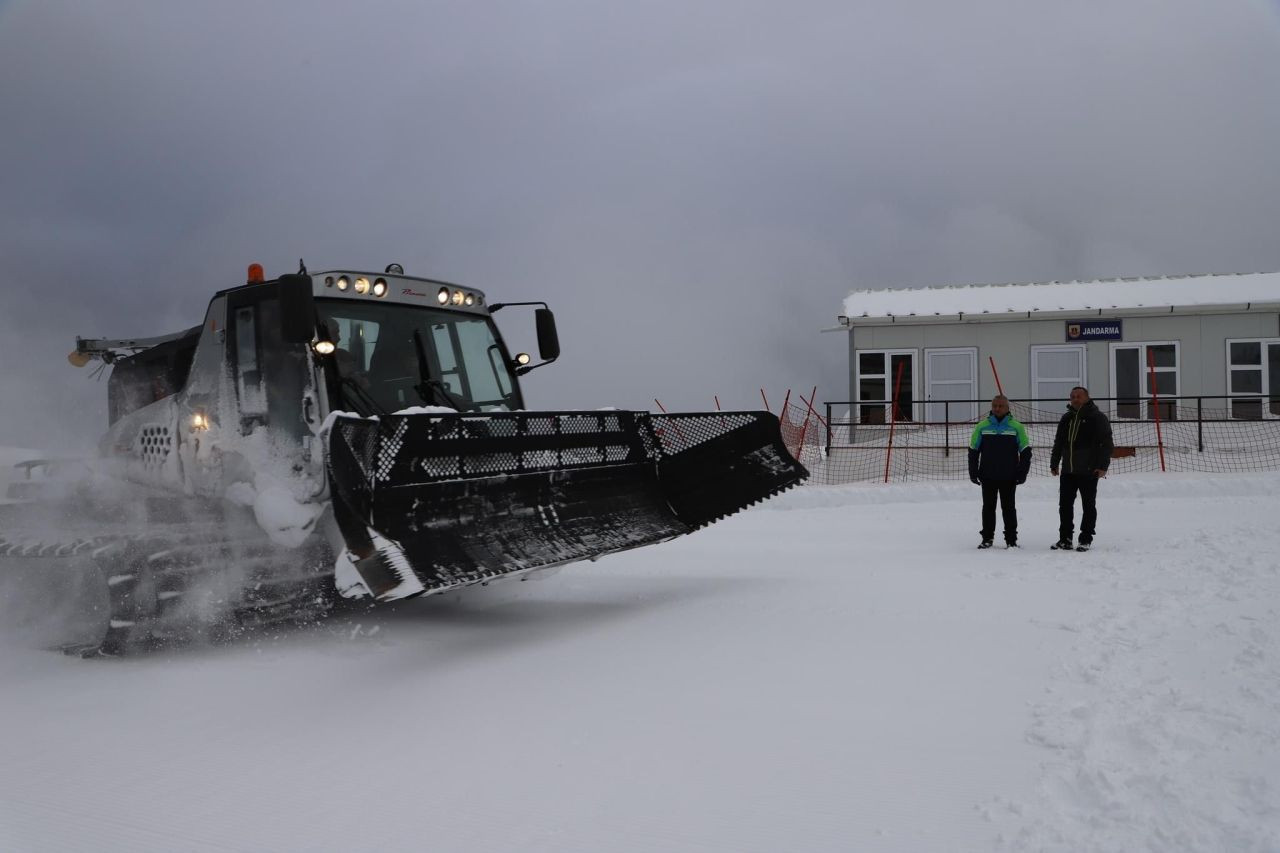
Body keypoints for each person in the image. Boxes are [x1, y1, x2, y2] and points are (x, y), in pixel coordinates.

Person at [1049, 386, 1113, 551]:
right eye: (1072, 396)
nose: (1075, 399)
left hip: (1089, 470)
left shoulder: (1097, 418)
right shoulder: (1067, 418)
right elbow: (1059, 442)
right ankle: (1065, 539)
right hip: (1068, 471)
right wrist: (1054, 463)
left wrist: (1102, 466)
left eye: (1078, 396)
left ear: (1087, 398)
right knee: (1064, 505)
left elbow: (1107, 444)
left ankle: (1085, 539)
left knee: (1088, 506)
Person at [968, 394, 1032, 549]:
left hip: (1009, 476)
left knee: (1009, 508)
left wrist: (1022, 473)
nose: (997, 408)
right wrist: (973, 471)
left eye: (1000, 406)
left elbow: (1025, 451)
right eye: (994, 406)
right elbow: (973, 450)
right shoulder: (982, 426)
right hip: (987, 475)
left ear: (1007, 408)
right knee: (988, 508)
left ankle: (1011, 540)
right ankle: (987, 538)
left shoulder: (1016, 427)